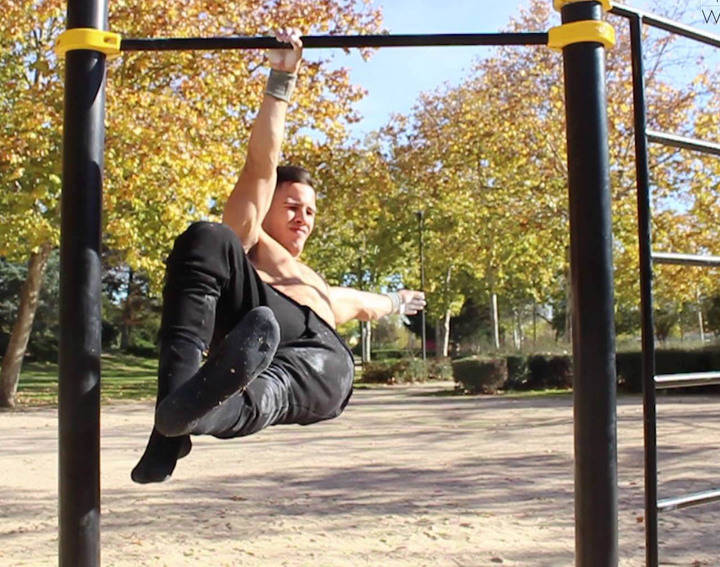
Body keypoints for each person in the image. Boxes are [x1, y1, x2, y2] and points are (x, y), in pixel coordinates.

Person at [131, 28, 426, 484]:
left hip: (322, 367)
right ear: (268, 204)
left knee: (270, 392)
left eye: (310, 211)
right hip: (262, 344)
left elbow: (367, 304)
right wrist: (280, 81)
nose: (303, 218)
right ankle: (176, 416)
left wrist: (398, 301)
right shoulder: (251, 245)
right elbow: (260, 166)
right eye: (292, 206)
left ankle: (170, 425)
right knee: (207, 235)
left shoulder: (315, 286)